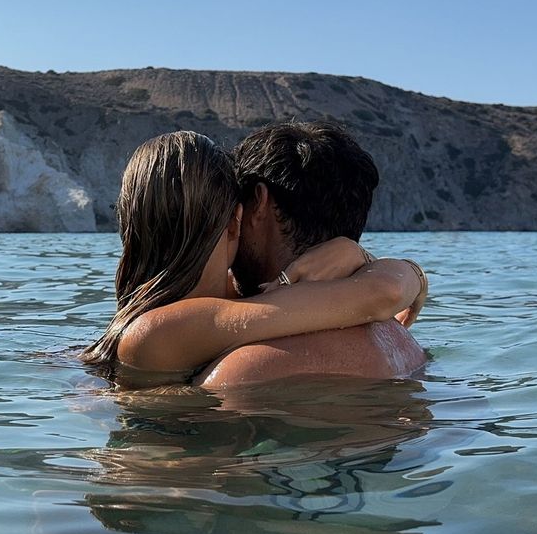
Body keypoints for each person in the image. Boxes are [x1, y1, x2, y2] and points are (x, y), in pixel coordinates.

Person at [81, 130, 426, 389]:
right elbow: (385, 292)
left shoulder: (171, 328)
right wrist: (399, 269)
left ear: (256, 205)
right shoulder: (394, 338)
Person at [197, 121, 427, 390]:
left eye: (233, 207)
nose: (228, 225)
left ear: (259, 202)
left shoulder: (249, 369)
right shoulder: (400, 339)